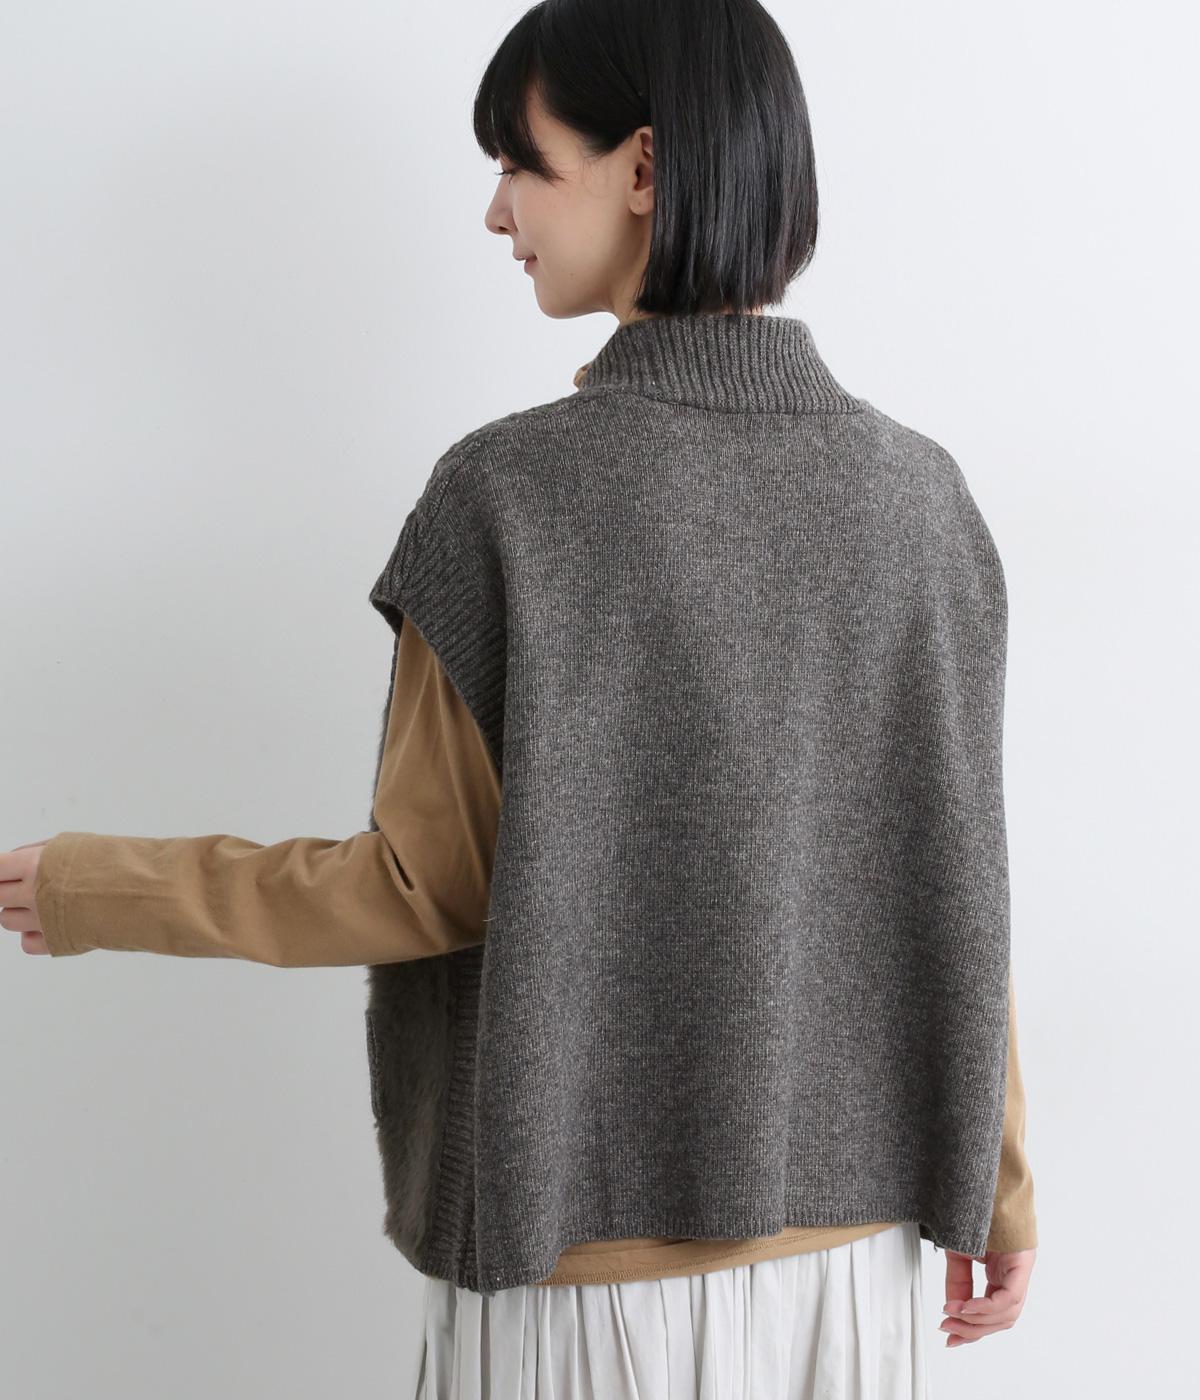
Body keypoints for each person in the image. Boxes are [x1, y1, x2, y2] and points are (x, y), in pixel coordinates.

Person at [2, 1, 1037, 1395]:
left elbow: (419, 889)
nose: (497, 213)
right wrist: (1002, 1187)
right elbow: (958, 884)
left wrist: (90, 886)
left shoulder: (513, 498)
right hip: (861, 1279)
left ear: (644, 169)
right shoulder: (923, 498)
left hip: (585, 1288)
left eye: (522, 164)